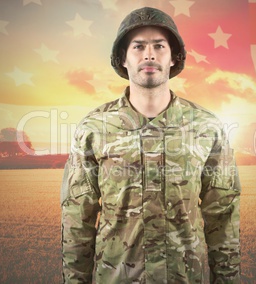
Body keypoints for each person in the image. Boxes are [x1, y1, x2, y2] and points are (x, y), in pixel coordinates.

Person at [61, 6, 241, 283]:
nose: (149, 54)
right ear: (123, 59)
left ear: (173, 58)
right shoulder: (93, 129)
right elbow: (77, 215)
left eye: (159, 45)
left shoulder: (207, 127)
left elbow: (223, 213)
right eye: (138, 46)